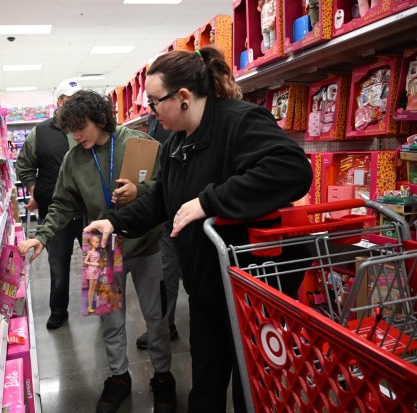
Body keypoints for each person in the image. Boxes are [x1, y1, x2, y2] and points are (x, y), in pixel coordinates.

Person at [84, 47, 313, 413]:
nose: (151, 111)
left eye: (156, 102)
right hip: (207, 285)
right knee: (206, 376)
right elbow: (161, 198)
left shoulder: (240, 122)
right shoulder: (177, 141)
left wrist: (210, 201)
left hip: (250, 288)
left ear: (184, 97)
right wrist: (114, 222)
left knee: (249, 383)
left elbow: (292, 170)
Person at [17, 90, 176, 413]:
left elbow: (167, 187)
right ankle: (118, 377)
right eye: (70, 129)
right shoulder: (73, 159)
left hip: (146, 244)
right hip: (100, 250)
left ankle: (163, 377)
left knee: (157, 318)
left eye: (81, 127)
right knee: (110, 320)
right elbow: (62, 205)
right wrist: (41, 237)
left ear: (100, 119)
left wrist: (140, 190)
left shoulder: (141, 145)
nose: (75, 135)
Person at [15, 79, 83, 330]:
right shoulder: (40, 132)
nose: (73, 104)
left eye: (77, 99)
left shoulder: (87, 128)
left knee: (95, 262)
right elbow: (23, 164)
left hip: (88, 211)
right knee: (58, 264)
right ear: (59, 102)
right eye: (69, 99)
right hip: (55, 212)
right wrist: (37, 190)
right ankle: (58, 310)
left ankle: (102, 307)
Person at [135, 114, 180, 350]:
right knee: (166, 274)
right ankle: (166, 326)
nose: (153, 106)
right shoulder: (157, 120)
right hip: (167, 214)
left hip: (194, 216)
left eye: (156, 100)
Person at [84, 234, 101, 313]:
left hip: (96, 271)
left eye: (98, 242)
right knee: (91, 289)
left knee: (94, 289)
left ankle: (92, 305)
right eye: (96, 242)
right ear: (92, 242)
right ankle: (89, 306)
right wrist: (94, 264)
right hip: (91, 271)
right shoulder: (90, 252)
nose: (98, 243)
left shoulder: (97, 252)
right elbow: (85, 261)